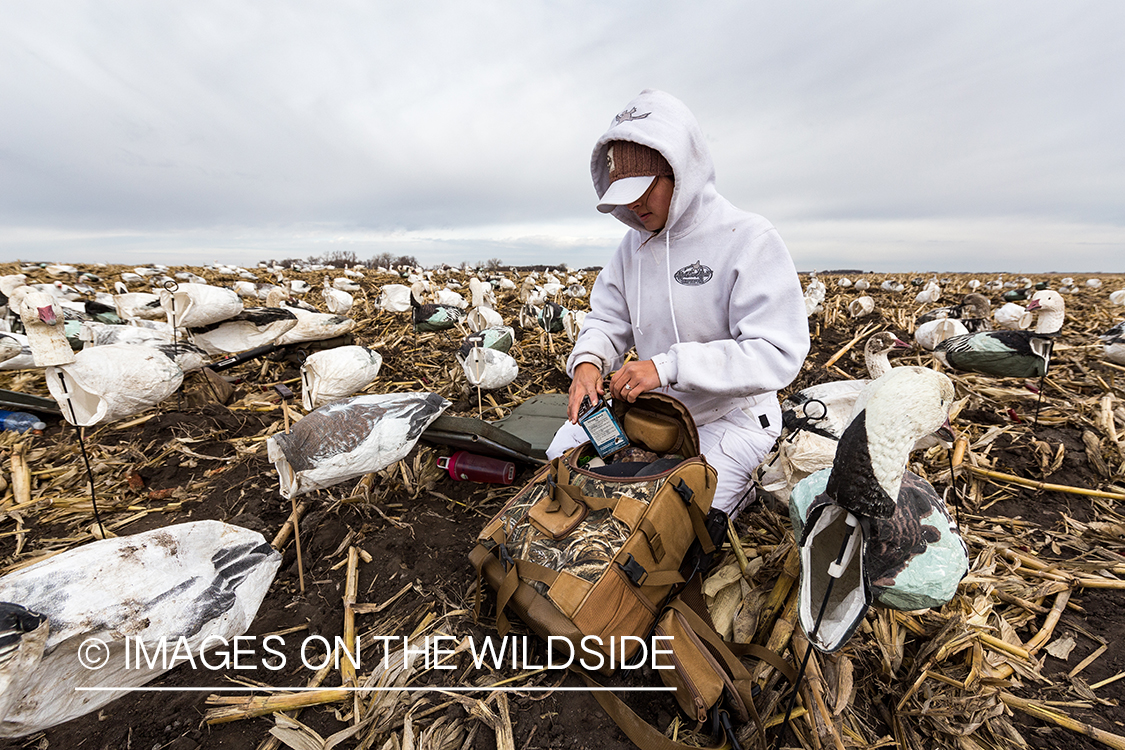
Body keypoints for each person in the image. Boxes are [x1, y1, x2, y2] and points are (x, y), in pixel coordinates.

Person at [546, 89, 810, 517]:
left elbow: (776, 354)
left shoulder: (748, 238)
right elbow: (607, 316)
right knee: (558, 467)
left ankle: (733, 485)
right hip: (657, 413)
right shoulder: (632, 248)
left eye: (645, 189)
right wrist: (589, 363)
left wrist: (666, 367)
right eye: (624, 192)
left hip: (731, 417)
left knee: (676, 516)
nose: (633, 203)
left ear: (681, 171)